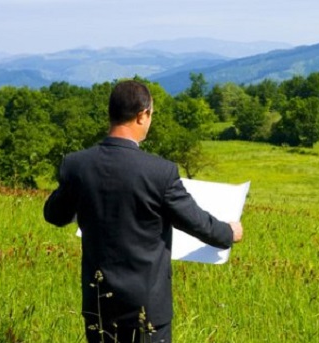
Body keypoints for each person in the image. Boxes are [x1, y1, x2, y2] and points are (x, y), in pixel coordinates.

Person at [43, 80, 243, 343]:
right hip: (146, 307)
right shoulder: (160, 172)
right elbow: (196, 223)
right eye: (151, 115)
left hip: (99, 303)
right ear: (142, 115)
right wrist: (228, 232)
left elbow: (54, 215)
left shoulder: (77, 166)